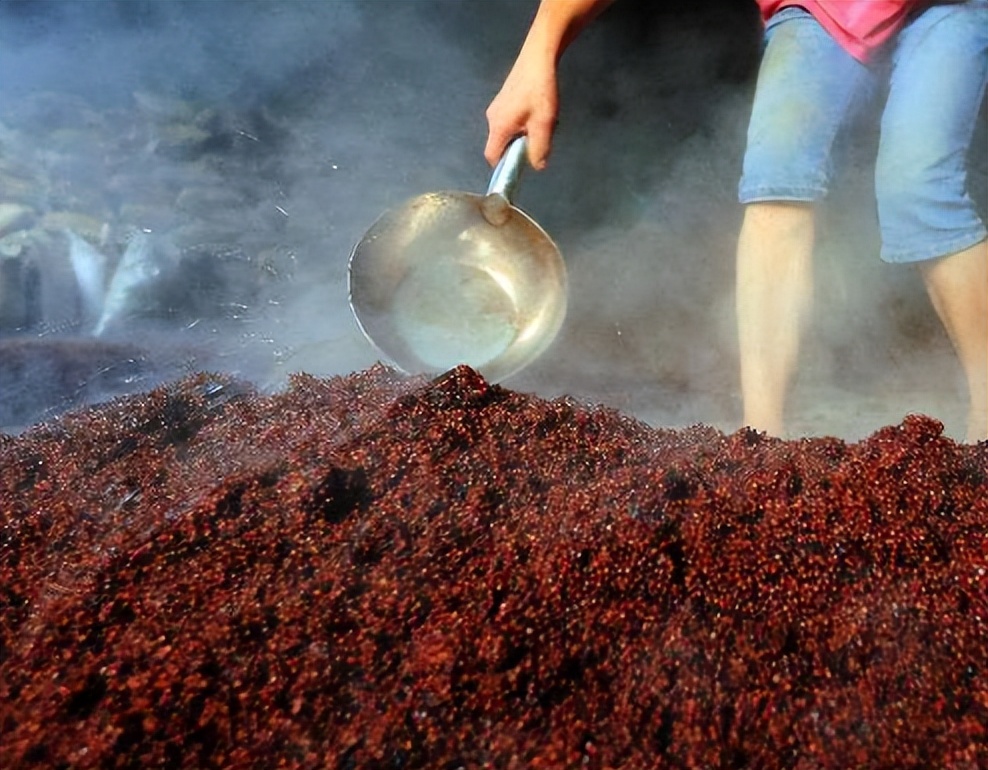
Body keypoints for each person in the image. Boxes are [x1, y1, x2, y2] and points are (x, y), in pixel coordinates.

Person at [484, 0, 988, 443]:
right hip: (820, 7)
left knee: (917, 186)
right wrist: (538, 53)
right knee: (776, 183)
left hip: (949, 6)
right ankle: (761, 439)